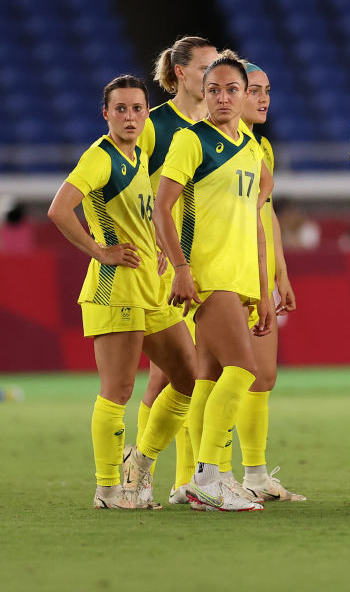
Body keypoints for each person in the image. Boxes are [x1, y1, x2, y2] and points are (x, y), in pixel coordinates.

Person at [47, 75, 196, 509]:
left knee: (188, 377)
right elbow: (59, 208)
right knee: (119, 389)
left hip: (153, 287)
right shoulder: (100, 157)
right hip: (115, 290)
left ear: (146, 114)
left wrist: (161, 247)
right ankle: (109, 487)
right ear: (106, 114)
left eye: (137, 108)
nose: (130, 116)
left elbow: (144, 212)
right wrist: (99, 250)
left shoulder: (140, 154)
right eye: (121, 109)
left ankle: (139, 462)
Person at [153, 55, 273, 512]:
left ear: (246, 94)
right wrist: (182, 269)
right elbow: (162, 208)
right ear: (203, 93)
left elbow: (255, 221)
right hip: (210, 272)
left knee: (210, 375)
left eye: (232, 89)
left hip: (240, 275)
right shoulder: (190, 140)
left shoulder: (251, 148)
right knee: (244, 369)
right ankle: (209, 475)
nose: (223, 97)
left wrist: (263, 290)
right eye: (214, 89)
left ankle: (201, 480)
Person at [136, 35, 219, 503]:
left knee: (193, 372)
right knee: (170, 374)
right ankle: (152, 473)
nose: (212, 78)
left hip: (207, 262)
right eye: (205, 68)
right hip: (164, 265)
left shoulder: (218, 129)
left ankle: (183, 479)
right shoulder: (153, 126)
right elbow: (119, 178)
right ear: (181, 73)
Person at [224, 59, 304, 501]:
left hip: (260, 273)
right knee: (216, 377)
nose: (263, 99)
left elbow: (265, 213)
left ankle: (253, 477)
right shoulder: (209, 145)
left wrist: (280, 272)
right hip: (226, 273)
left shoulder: (261, 149)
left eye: (267, 90)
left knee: (263, 375)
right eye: (254, 90)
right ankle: (200, 476)